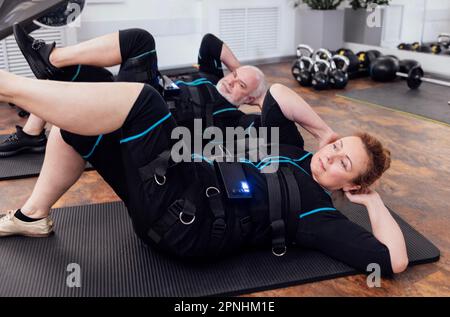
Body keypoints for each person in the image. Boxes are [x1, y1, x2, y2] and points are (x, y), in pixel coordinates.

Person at [0, 27, 408, 277]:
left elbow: (391, 261)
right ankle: (32, 217)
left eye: (343, 163)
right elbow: (279, 93)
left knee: (145, 102)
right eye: (337, 148)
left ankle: (6, 84)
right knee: (79, 120)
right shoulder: (290, 147)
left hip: (186, 225)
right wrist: (323, 131)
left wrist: (373, 203)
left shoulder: (319, 212)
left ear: (352, 183)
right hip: (174, 187)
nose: (330, 156)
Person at [0, 25, 266, 157]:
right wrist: (240, 72)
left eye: (240, 85)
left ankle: (49, 57)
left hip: (147, 121)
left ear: (250, 99)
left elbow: (272, 127)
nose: (231, 81)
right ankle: (32, 134)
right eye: (233, 76)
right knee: (78, 70)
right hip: (139, 96)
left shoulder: (234, 118)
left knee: (140, 41)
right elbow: (210, 41)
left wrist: (262, 99)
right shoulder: (213, 75)